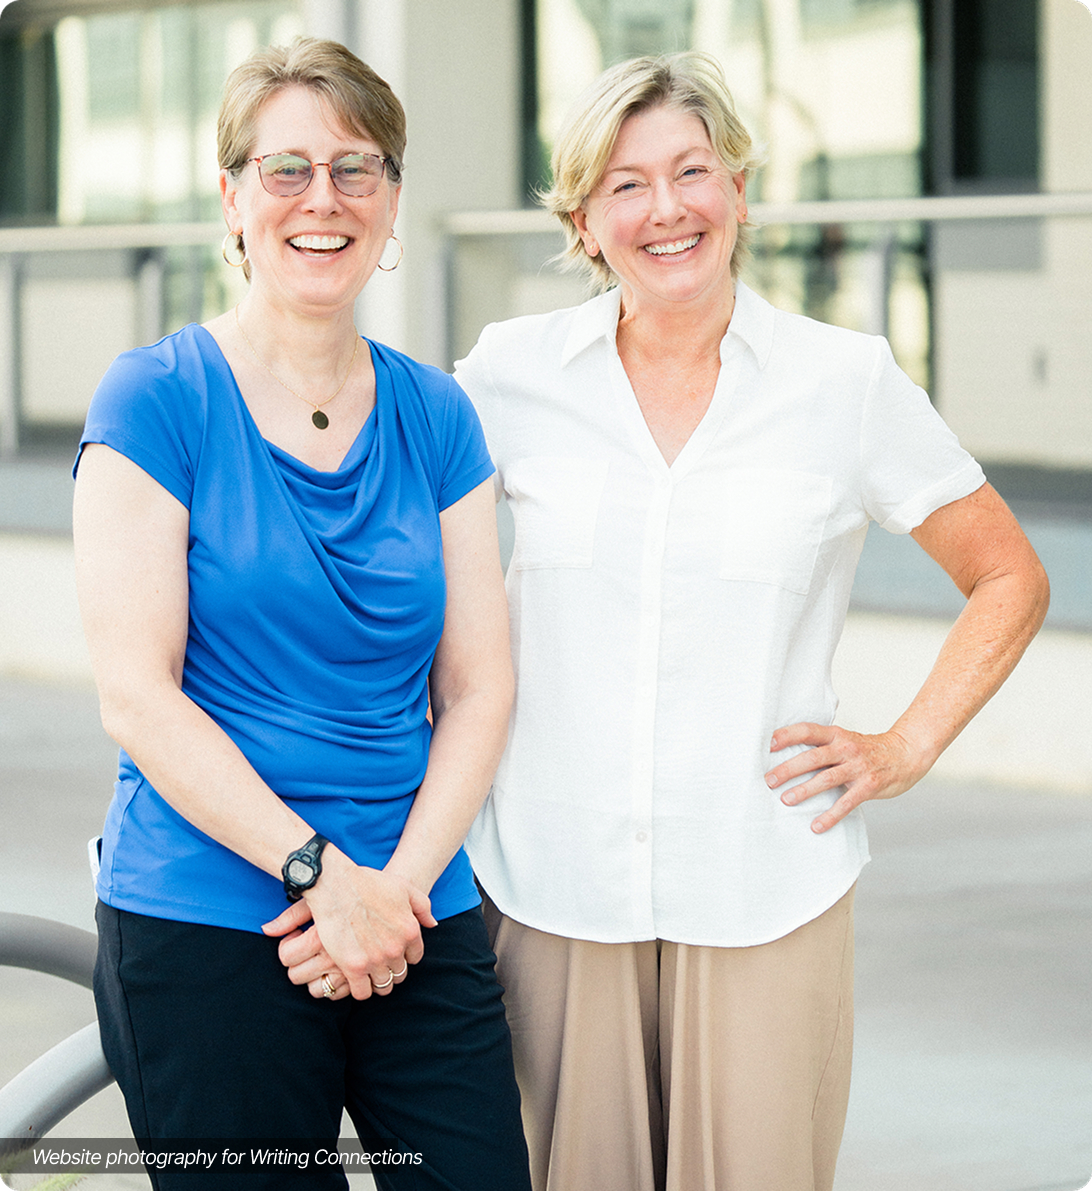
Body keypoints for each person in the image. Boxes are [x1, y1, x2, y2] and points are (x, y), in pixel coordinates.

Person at [450, 51, 1050, 1191]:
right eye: (626, 184)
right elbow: (402, 574)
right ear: (582, 222)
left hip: (764, 883)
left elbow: (1010, 575)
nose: (666, 208)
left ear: (738, 187)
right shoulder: (506, 375)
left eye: (692, 171)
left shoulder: (844, 381)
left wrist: (906, 744)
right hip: (550, 881)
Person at [73, 37, 531, 1191]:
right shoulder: (157, 398)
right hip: (211, 916)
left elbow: (479, 686)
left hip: (414, 909)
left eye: (355, 167)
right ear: (233, 199)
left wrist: (394, 894)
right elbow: (137, 697)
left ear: (390, 201)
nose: (322, 198)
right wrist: (321, 877)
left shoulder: (439, 415)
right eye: (287, 169)